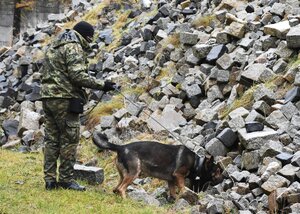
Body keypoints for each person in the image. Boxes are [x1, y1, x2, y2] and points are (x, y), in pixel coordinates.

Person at [41, 21, 116, 191]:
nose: (89, 44)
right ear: (85, 36)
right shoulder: (73, 46)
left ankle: (50, 181)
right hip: (65, 98)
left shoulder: (55, 44)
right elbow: (77, 76)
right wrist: (102, 84)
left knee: (52, 140)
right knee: (69, 139)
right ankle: (66, 180)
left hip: (48, 97)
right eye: (89, 40)